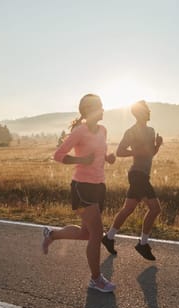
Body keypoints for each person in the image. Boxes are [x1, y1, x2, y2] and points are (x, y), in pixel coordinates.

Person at [42, 93, 117, 293]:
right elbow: (58, 155)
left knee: (86, 233)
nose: (103, 109)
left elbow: (100, 153)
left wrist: (108, 157)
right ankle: (96, 279)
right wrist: (80, 161)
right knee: (97, 233)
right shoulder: (79, 131)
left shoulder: (103, 130)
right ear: (89, 110)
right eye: (100, 106)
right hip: (82, 187)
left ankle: (53, 234)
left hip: (99, 186)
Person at [101, 100, 162, 260]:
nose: (149, 112)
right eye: (147, 110)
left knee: (128, 209)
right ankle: (142, 244)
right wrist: (136, 152)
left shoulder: (151, 130)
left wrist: (158, 146)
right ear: (140, 113)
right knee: (155, 209)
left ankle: (109, 237)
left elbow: (149, 154)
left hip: (141, 174)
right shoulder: (131, 131)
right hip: (137, 174)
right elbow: (120, 151)